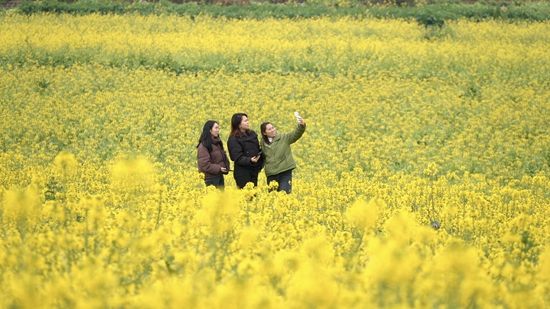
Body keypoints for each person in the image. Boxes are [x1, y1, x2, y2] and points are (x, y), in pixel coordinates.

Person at [260, 114, 306, 194]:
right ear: (264, 133)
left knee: (284, 195)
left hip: (284, 172)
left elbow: (296, 134)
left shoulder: (284, 138)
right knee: (272, 198)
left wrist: (301, 126)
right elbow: (263, 158)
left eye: (273, 128)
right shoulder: (262, 143)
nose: (273, 130)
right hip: (271, 174)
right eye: (269, 129)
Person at [227, 113, 263, 189]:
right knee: (245, 195)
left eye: (247, 120)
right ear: (239, 124)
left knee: (253, 195)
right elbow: (236, 157)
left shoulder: (252, 134)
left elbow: (257, 149)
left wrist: (259, 164)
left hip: (254, 170)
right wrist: (250, 160)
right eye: (245, 121)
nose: (248, 122)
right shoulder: (234, 139)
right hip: (242, 172)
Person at [197, 120, 230, 189]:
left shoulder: (216, 143)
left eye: (218, 128)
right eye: (216, 128)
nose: (218, 130)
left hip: (219, 176)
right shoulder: (204, 146)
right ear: (209, 130)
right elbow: (205, 164)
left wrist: (226, 167)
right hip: (211, 179)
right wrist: (219, 168)